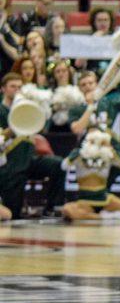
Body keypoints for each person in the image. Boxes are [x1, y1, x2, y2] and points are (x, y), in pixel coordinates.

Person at [0, 73, 65, 218]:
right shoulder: (1, 111)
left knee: (59, 165)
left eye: (19, 87)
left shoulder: (27, 107)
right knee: (13, 213)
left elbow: (40, 126)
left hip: (29, 159)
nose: (17, 90)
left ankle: (52, 207)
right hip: (10, 165)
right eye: (12, 87)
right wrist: (13, 127)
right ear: (3, 89)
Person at [61, 128, 120, 221]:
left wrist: (116, 151)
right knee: (67, 211)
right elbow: (64, 166)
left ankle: (95, 216)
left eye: (100, 141)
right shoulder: (80, 156)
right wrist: (75, 153)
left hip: (105, 199)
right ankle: (106, 217)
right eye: (92, 141)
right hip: (85, 201)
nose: (96, 144)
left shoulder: (108, 156)